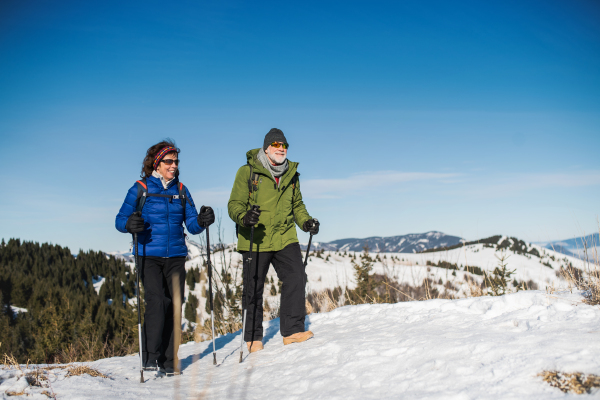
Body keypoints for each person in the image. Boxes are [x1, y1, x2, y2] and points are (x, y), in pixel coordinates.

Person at [115, 140, 214, 374]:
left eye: (176, 161)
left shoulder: (180, 190)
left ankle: (170, 362)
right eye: (168, 161)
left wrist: (201, 220)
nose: (173, 165)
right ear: (156, 164)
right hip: (148, 255)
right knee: (158, 301)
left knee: (175, 306)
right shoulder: (140, 188)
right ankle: (150, 356)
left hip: (177, 255)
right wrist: (130, 224)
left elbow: (191, 223)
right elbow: (120, 219)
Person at [228, 128, 320, 353]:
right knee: (254, 287)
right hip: (255, 236)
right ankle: (252, 337)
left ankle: (293, 330)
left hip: (285, 235)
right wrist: (244, 217)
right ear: (266, 148)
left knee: (296, 276)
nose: (281, 149)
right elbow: (234, 204)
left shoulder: (292, 174)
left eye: (284, 145)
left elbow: (297, 205)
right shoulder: (247, 172)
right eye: (276, 145)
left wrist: (306, 221)